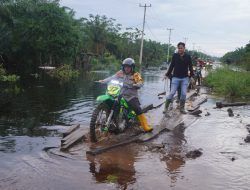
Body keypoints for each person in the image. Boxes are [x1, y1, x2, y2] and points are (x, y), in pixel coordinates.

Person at [98, 58, 153, 132]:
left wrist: (137, 85)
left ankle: (145, 126)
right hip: (120, 94)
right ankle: (111, 121)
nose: (126, 68)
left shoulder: (136, 75)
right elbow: (112, 77)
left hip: (131, 96)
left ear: (132, 67)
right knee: (112, 104)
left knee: (137, 108)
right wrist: (104, 80)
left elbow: (141, 82)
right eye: (125, 66)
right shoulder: (120, 73)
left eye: (128, 67)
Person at [164, 42, 194, 114]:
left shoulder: (188, 56)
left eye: (181, 48)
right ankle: (165, 108)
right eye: (179, 48)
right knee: (172, 92)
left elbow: (190, 66)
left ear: (184, 48)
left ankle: (182, 108)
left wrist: (191, 76)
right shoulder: (175, 55)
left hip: (185, 78)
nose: (180, 49)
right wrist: (167, 74)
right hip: (175, 78)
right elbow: (172, 66)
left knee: (183, 94)